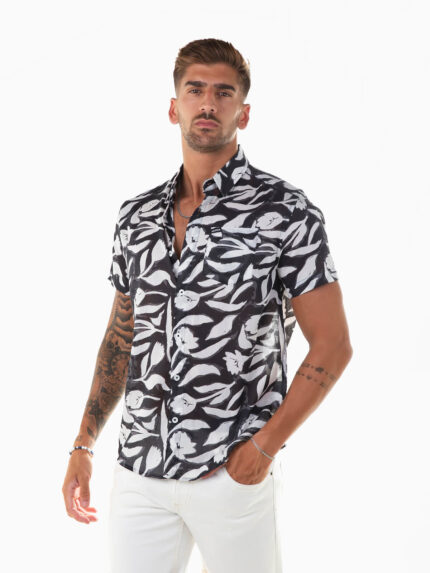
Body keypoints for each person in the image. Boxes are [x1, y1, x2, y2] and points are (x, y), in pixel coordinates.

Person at [62, 37, 353, 573]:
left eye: (224, 93)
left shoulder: (287, 212)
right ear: (174, 107)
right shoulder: (136, 217)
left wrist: (263, 449)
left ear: (244, 112)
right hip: (140, 470)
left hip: (231, 471)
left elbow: (333, 345)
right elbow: (122, 336)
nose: (208, 104)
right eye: (195, 90)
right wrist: (84, 444)